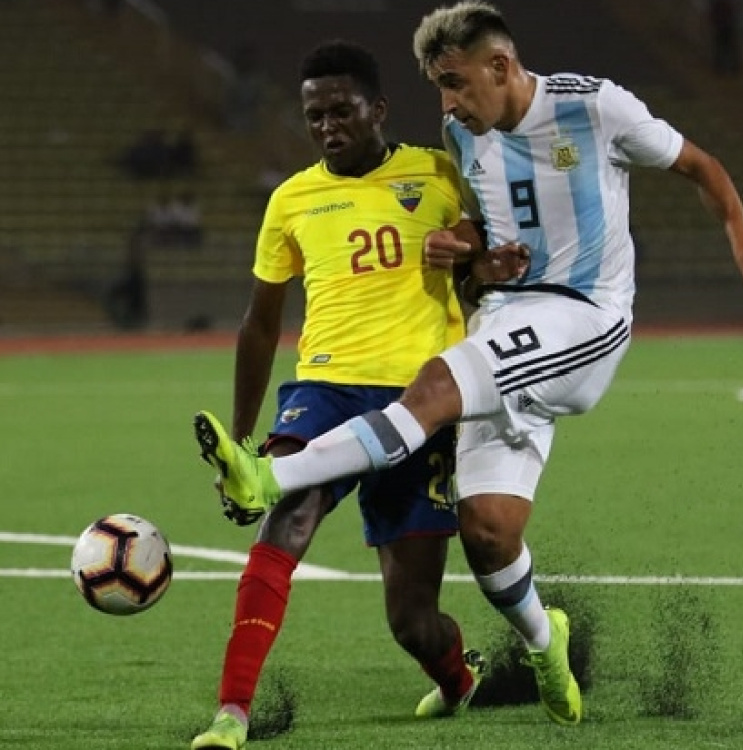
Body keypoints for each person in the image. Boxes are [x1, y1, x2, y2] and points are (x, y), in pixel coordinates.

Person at [193, 0, 743, 729]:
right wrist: (471, 253)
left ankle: (268, 476)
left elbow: (701, 165)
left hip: (584, 314)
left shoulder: (595, 107)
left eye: (455, 83)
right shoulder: (460, 136)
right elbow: (487, 241)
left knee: (433, 386)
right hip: (507, 321)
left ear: (500, 66)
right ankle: (544, 640)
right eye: (438, 87)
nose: (446, 104)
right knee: (487, 533)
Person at [189, 39, 527, 750]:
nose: (327, 127)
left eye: (341, 111)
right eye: (315, 116)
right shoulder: (292, 199)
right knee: (287, 519)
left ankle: (458, 679)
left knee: (412, 621)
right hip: (326, 390)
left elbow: (498, 250)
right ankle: (232, 713)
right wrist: (244, 440)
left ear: (378, 109)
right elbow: (260, 323)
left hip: (421, 403)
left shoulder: (439, 173)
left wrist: (470, 247)